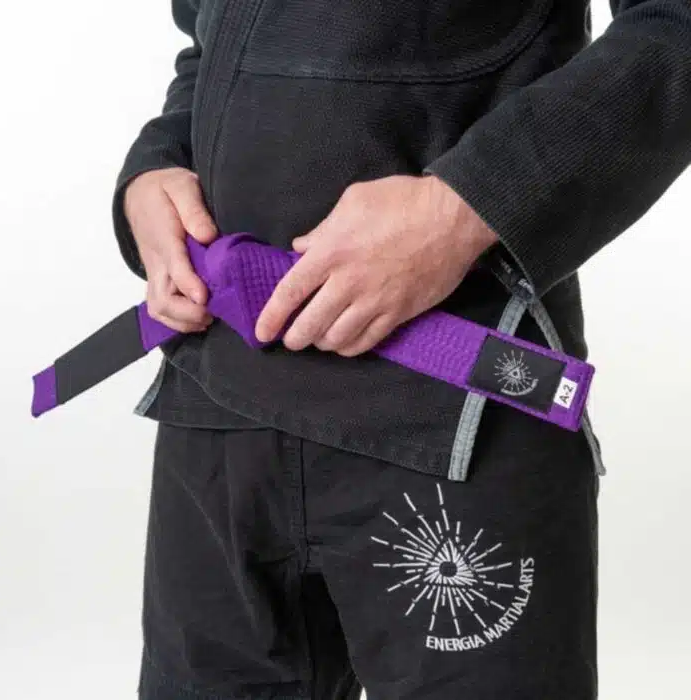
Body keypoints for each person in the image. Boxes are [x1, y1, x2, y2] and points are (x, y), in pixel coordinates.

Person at [113, 1, 691, 698]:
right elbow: (210, 42)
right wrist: (157, 165)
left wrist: (466, 206)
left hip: (457, 410)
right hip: (216, 402)